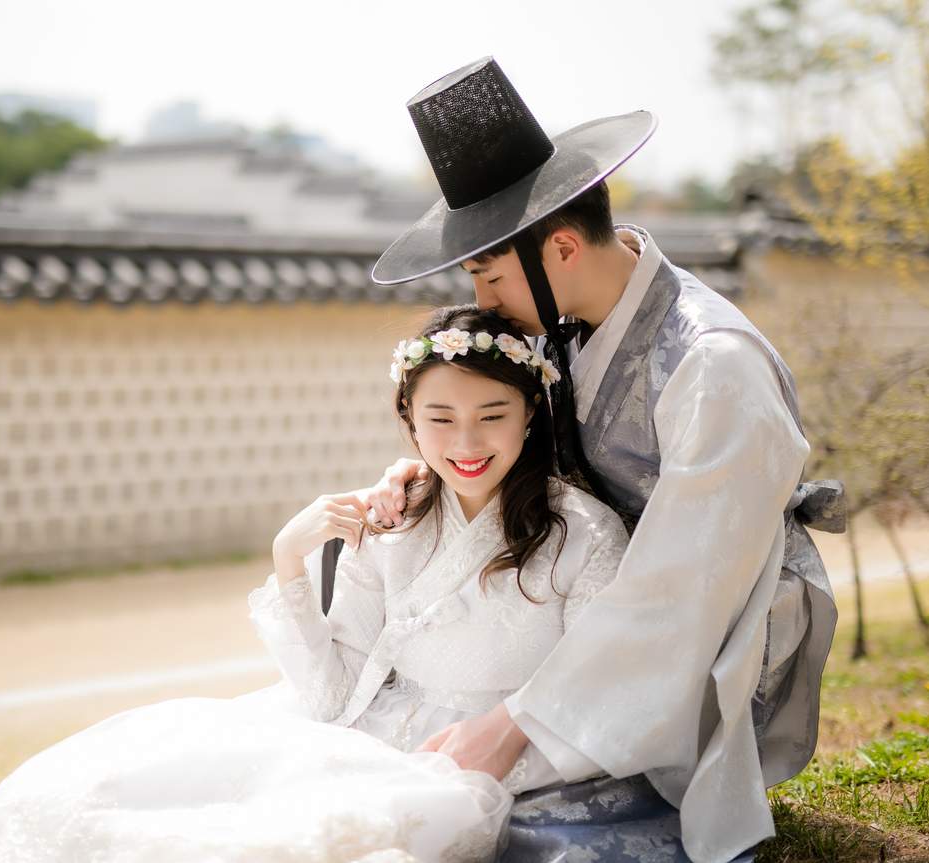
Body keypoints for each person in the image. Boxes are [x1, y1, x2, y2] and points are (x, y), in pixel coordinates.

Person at [0, 305, 633, 863]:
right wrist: (290, 556)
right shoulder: (394, 517)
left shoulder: (583, 532)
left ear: (529, 415)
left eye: (492, 414)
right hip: (358, 733)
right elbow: (331, 695)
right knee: (132, 786)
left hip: (476, 754)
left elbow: (600, 689)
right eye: (439, 418)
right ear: (407, 418)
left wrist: (494, 747)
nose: (465, 441)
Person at [362, 57, 845, 863]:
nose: (481, 301)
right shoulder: (570, 329)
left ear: (559, 247)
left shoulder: (713, 363)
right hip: (598, 611)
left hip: (708, 628)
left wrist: (515, 721)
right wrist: (428, 471)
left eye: (488, 273)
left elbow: (682, 584)